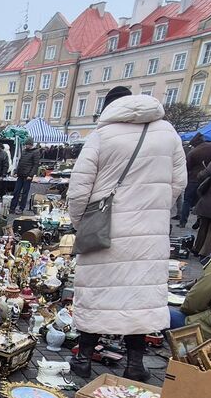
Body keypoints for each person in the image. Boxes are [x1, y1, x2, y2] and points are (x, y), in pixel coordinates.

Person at [67, 85, 186, 382]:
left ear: (109, 107)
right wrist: (154, 210)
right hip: (149, 231)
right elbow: (178, 182)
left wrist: (82, 222)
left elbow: (79, 189)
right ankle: (135, 364)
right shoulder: (167, 133)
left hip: (105, 226)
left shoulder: (101, 135)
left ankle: (83, 360)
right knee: (140, 297)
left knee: (96, 293)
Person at [179, 133, 211, 227]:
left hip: (193, 178)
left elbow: (188, 167)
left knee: (187, 201)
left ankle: (183, 222)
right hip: (207, 178)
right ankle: (199, 219)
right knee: (202, 200)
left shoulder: (192, 153)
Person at [10, 137, 41, 213]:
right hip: (20, 175)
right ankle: (12, 207)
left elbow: (35, 165)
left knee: (24, 193)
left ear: (31, 144)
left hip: (27, 176)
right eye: (25, 144)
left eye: (27, 144)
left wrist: (30, 175)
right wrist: (16, 172)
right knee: (16, 192)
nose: (26, 146)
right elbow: (20, 163)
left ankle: (21, 208)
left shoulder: (36, 152)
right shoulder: (24, 151)